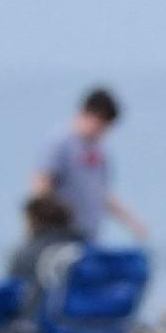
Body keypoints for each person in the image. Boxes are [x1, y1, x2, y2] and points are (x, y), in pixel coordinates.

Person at [30, 85, 149, 248]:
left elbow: (102, 194)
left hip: (88, 236)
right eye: (103, 125)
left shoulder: (98, 151)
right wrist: (39, 228)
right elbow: (41, 183)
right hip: (60, 236)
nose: (103, 132)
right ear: (92, 116)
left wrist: (132, 222)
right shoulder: (61, 142)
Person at [5, 194, 83, 301]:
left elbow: (12, 297)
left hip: (40, 315)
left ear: (33, 220)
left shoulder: (25, 255)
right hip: (91, 315)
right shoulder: (86, 249)